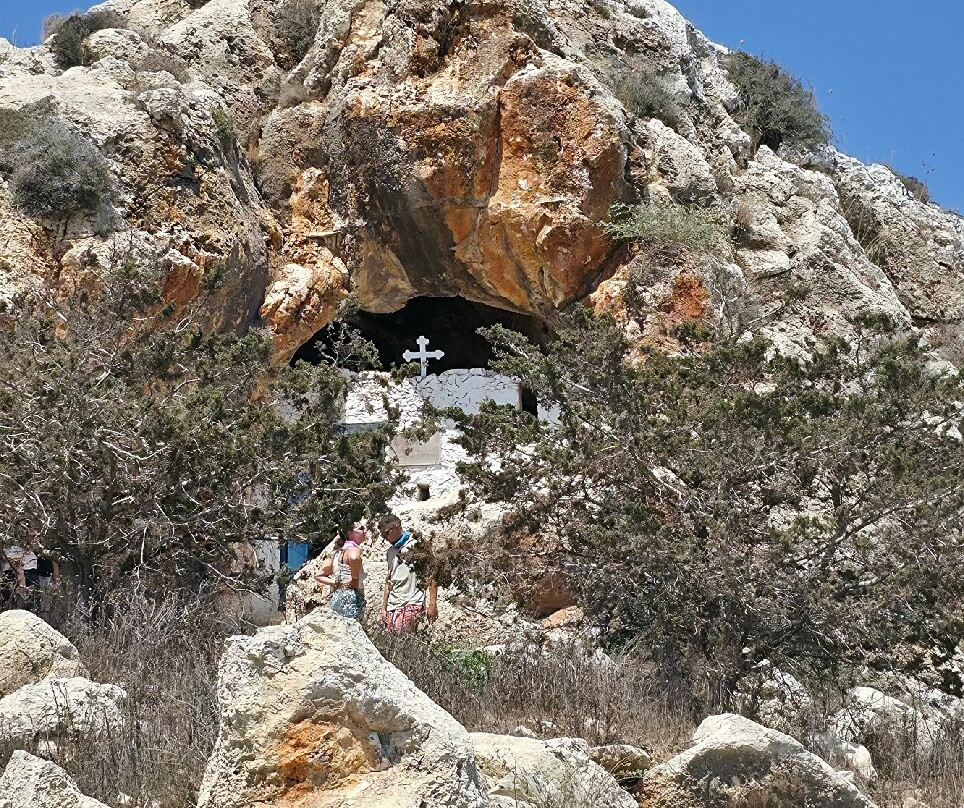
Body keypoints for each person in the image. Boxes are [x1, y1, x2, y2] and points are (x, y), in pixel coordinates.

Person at [378, 514, 438, 632]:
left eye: (386, 533)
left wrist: (432, 604)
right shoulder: (391, 552)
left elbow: (432, 574)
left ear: (397, 526)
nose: (385, 538)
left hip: (412, 602)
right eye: (382, 535)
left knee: (403, 640)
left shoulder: (417, 545)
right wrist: (383, 608)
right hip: (394, 605)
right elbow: (389, 580)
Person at [315, 522, 367, 619]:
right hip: (352, 597)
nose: (365, 531)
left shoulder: (336, 553)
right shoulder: (353, 549)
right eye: (361, 529)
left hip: (338, 596)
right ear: (349, 533)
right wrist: (354, 579)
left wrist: (336, 583)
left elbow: (318, 575)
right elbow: (354, 558)